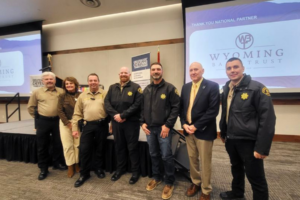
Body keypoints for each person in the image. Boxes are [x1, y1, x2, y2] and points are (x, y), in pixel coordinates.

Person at [219, 57, 276, 200]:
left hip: (249, 141)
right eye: (229, 68)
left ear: (243, 68)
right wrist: (224, 132)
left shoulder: (257, 88)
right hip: (231, 139)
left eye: (235, 67)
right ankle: (237, 193)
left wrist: (262, 147)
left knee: (255, 176)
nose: (232, 71)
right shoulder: (227, 87)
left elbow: (268, 119)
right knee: (236, 168)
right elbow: (227, 113)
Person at [180, 62, 220, 200]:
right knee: (192, 160)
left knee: (205, 161)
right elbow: (182, 109)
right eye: (191, 70)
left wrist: (196, 126)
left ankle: (206, 190)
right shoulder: (185, 87)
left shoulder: (212, 86)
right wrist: (184, 124)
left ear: (202, 70)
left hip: (204, 130)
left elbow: (213, 111)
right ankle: (196, 183)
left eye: (196, 69)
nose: (193, 72)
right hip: (188, 130)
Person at [140, 62, 180, 200]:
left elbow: (176, 108)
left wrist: (168, 125)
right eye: (153, 69)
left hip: (164, 129)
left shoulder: (170, 88)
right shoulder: (146, 90)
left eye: (158, 69)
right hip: (150, 129)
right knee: (153, 154)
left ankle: (169, 182)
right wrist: (142, 123)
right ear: (150, 72)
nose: (156, 71)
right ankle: (157, 177)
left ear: (162, 71)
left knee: (166, 155)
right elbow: (142, 109)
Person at [104, 67, 142, 184]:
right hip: (116, 123)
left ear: (129, 74)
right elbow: (107, 103)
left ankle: (135, 172)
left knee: (132, 148)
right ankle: (120, 169)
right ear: (119, 74)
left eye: (126, 73)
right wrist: (116, 115)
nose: (123, 74)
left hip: (131, 123)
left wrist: (123, 115)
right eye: (121, 73)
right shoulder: (112, 87)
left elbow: (137, 105)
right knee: (119, 147)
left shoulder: (136, 87)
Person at [27, 71, 67, 180]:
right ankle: (43, 168)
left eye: (51, 79)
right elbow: (31, 107)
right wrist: (38, 118)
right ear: (43, 81)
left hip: (58, 122)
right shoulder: (37, 92)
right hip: (43, 122)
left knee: (58, 143)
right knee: (42, 146)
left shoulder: (61, 91)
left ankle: (57, 163)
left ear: (54, 80)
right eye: (47, 79)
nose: (49, 81)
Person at [72, 73, 109, 187]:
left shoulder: (105, 94)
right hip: (87, 126)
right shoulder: (82, 96)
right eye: (91, 80)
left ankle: (98, 169)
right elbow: (77, 113)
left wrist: (112, 124)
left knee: (100, 149)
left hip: (102, 125)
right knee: (84, 150)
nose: (93, 82)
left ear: (98, 81)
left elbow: (110, 110)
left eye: (95, 80)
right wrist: (74, 128)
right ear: (88, 82)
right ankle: (84, 173)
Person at [57, 77, 81, 178]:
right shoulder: (62, 96)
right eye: (67, 84)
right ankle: (70, 166)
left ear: (75, 84)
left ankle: (77, 164)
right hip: (65, 123)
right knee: (67, 146)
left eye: (71, 84)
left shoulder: (81, 95)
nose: (69, 86)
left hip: (78, 123)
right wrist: (67, 123)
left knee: (77, 145)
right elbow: (59, 111)